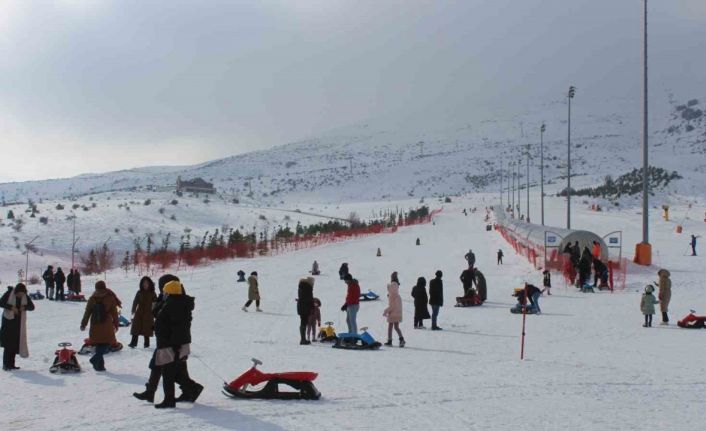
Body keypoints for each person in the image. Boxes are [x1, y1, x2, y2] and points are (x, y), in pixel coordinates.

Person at [134, 274, 202, 405]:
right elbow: (157, 313)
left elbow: (174, 320)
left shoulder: (175, 297)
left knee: (173, 370)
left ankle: (190, 389)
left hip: (174, 341)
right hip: (169, 339)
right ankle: (151, 391)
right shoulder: (168, 295)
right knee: (159, 365)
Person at [153, 280, 202, 409]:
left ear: (169, 292)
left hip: (171, 344)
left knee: (168, 373)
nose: (163, 293)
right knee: (177, 372)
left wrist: (175, 344)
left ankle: (169, 400)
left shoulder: (174, 305)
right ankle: (192, 389)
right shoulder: (174, 303)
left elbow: (179, 327)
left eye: (165, 291)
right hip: (174, 343)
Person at [80, 280, 120, 371]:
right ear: (105, 287)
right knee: (107, 343)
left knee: (99, 344)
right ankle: (95, 359)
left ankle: (100, 366)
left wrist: (83, 324)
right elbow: (114, 313)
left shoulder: (92, 298)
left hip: (95, 324)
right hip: (106, 324)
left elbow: (87, 312)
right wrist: (116, 324)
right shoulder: (110, 297)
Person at [1, 284, 34, 370]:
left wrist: (25, 307)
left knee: (15, 343)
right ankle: (6, 365)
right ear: (16, 291)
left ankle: (11, 364)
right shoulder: (9, 293)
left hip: (19, 323)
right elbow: (1, 303)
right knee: (8, 344)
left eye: (22, 294)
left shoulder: (25, 296)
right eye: (19, 293)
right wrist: (11, 307)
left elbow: (32, 307)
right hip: (8, 322)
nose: (21, 295)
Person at [129, 276, 157, 348]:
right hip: (139, 313)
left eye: (146, 283)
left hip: (148, 314)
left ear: (149, 284)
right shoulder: (139, 292)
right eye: (143, 283)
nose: (145, 285)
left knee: (147, 328)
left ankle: (146, 344)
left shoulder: (152, 293)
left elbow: (155, 303)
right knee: (135, 327)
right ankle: (133, 343)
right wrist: (133, 310)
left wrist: (154, 312)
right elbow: (135, 301)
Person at [383, 273, 405, 347]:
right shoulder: (398, 296)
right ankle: (401, 339)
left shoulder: (392, 296)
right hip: (398, 313)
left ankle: (389, 340)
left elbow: (391, 306)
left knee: (390, 327)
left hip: (393, 314)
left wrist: (385, 311)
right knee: (396, 327)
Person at [297, 277, 314, 345]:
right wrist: (312, 306)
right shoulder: (308, 288)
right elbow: (309, 299)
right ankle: (303, 339)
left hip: (301, 306)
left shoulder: (301, 287)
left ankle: (303, 339)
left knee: (302, 321)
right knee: (304, 321)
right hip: (305, 307)